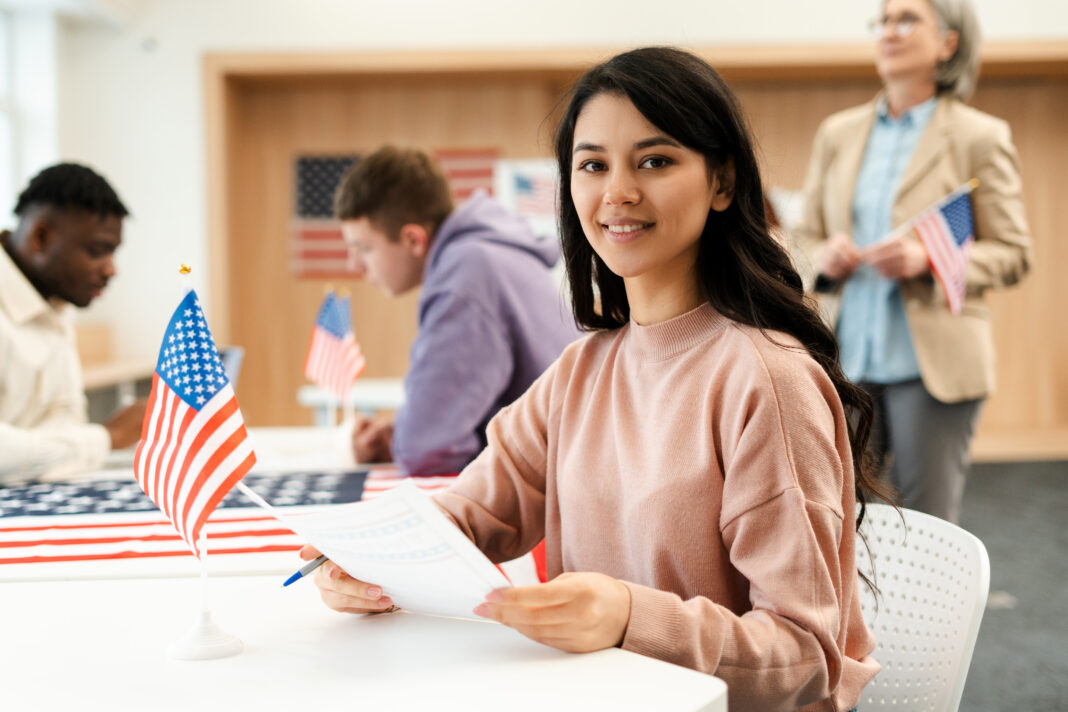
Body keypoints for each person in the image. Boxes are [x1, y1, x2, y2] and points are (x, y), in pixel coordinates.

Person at [304, 47, 888, 712]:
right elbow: (470, 513)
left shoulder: (768, 380)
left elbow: (804, 656)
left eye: (656, 160)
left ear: (723, 182)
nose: (617, 191)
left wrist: (626, 615)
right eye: (592, 165)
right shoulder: (582, 370)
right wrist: (363, 562)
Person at [794, 0, 1032, 524]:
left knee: (927, 527)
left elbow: (1014, 253)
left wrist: (928, 258)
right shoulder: (838, 133)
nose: (889, 31)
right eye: (883, 20)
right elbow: (802, 235)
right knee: (836, 520)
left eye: (907, 20)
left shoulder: (979, 137)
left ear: (948, 43)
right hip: (845, 361)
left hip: (934, 368)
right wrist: (823, 254)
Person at [334, 146, 579, 476]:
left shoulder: (464, 275)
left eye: (364, 248)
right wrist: (398, 439)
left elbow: (426, 452)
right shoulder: (489, 253)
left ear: (413, 240)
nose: (355, 265)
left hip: (559, 483)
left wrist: (409, 441)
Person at [0, 162, 145, 485]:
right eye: (97, 251)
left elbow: (66, 421)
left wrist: (74, 443)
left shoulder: (55, 304)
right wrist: (109, 436)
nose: (111, 270)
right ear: (40, 238)